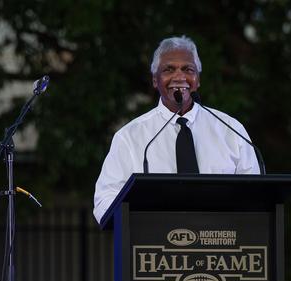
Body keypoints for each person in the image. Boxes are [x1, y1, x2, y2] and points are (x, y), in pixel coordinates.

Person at [93, 36, 260, 223]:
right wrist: (141, 220)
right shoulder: (129, 137)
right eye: (169, 69)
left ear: (197, 80)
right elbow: (104, 202)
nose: (179, 77)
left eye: (188, 69)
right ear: (155, 80)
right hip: (155, 244)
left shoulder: (231, 130)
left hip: (222, 243)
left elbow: (256, 194)